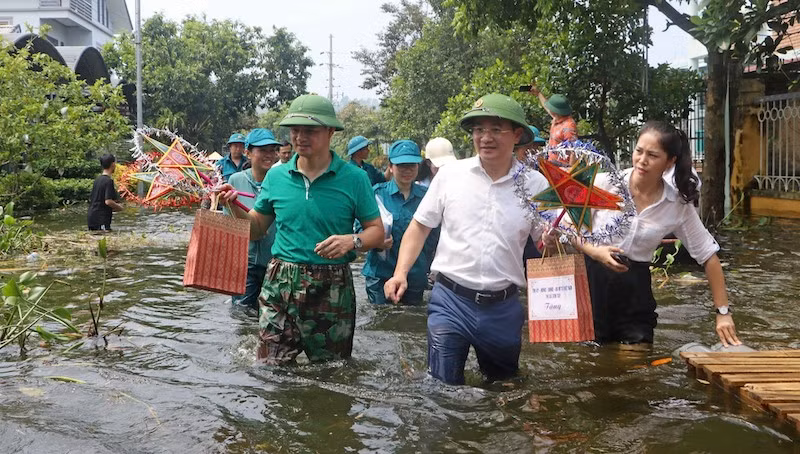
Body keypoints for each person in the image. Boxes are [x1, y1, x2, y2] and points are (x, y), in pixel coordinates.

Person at [384, 93, 552, 385]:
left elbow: (548, 243)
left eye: (496, 130)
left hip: (503, 306)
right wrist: (400, 273)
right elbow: (420, 227)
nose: (485, 137)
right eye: (479, 130)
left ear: (517, 135)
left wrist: (553, 239)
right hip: (450, 300)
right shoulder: (451, 175)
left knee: (503, 388)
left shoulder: (535, 185)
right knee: (441, 391)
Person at [218, 94, 385, 364]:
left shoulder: (354, 179)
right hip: (280, 280)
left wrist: (352, 241)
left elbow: (377, 232)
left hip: (332, 286)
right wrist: (233, 205)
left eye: (310, 131)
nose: (300, 137)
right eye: (295, 130)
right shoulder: (277, 175)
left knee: (331, 369)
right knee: (271, 369)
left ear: (331, 132)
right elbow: (258, 228)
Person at [573, 121, 741, 347]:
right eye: (639, 151)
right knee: (595, 365)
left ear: (670, 161)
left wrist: (723, 312)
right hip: (593, 285)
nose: (642, 160)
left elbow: (708, 256)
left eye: (653, 155)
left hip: (635, 290)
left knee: (635, 367)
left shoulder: (676, 204)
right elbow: (569, 228)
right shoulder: (604, 184)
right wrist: (596, 252)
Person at [361, 140, 440, 305]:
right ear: (390, 167)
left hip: (415, 274)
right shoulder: (376, 195)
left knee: (410, 323)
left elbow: (435, 236)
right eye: (401, 165)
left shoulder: (428, 197)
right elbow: (359, 231)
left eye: (412, 165)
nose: (407, 170)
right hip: (380, 275)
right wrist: (377, 242)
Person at [224, 128, 281, 312]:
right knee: (242, 313)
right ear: (247, 152)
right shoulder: (235, 180)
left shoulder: (282, 181)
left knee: (272, 314)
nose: (269, 155)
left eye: (272, 150)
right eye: (262, 150)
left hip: (274, 263)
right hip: (244, 261)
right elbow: (229, 223)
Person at [529, 86, 577, 165]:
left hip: (562, 166)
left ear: (556, 111)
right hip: (552, 162)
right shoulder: (557, 118)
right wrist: (538, 93)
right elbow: (546, 106)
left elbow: (574, 150)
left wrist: (570, 170)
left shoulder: (568, 126)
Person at [87, 153, 123, 231]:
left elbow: (95, 200)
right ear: (113, 164)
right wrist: (119, 207)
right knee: (104, 239)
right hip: (101, 218)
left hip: (91, 216)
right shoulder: (108, 181)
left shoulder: (97, 180)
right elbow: (108, 201)